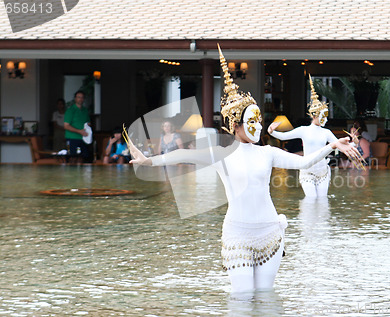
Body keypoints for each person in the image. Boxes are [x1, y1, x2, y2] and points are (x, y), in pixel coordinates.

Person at [126, 45, 363, 294]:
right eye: (252, 121)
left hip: (270, 232)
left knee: (265, 298)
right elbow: (183, 154)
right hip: (237, 235)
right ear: (235, 126)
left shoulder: (268, 153)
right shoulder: (221, 155)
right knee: (241, 300)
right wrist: (148, 160)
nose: (258, 126)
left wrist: (333, 145)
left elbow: (303, 162)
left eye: (259, 120)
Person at [267, 75, 338, 198]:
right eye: (323, 115)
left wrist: (354, 143)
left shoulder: (326, 132)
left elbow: (339, 145)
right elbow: (284, 137)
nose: (325, 119)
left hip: (323, 172)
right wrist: (272, 132)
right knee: (311, 199)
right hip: (307, 171)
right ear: (314, 115)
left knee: (322, 201)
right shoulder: (303, 130)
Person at [64, 91, 90, 162]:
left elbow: (88, 123)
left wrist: (87, 129)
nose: (80, 99)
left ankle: (81, 173)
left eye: (82, 97)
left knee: (83, 157)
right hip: (72, 138)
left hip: (84, 138)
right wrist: (79, 131)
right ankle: (72, 173)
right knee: (72, 157)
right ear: (75, 99)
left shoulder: (85, 110)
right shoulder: (70, 110)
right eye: (79, 97)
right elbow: (66, 126)